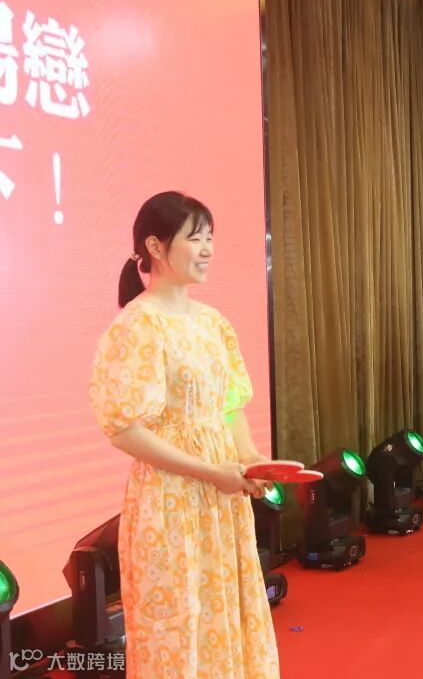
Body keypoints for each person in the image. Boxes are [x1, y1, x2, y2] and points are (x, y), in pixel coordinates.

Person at [89, 191, 280, 678]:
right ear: (155, 246)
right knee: (178, 624)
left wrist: (249, 457)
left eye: (210, 238)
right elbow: (124, 430)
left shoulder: (213, 323)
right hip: (170, 500)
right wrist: (209, 471)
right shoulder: (137, 326)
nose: (208, 249)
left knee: (225, 610)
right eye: (196, 238)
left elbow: (230, 404)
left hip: (222, 496)